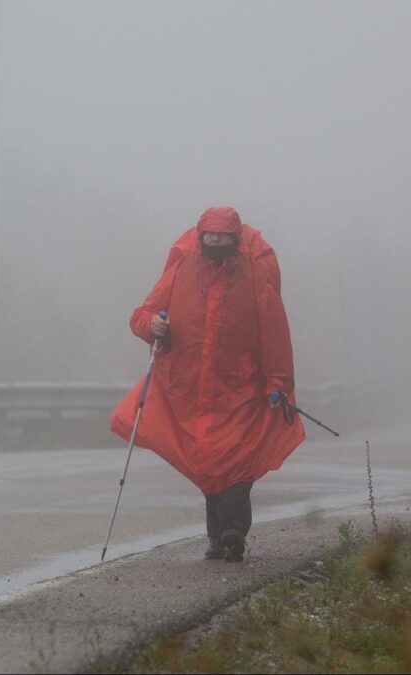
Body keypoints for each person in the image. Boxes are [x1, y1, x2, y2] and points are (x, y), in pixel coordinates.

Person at [110, 206, 306, 563]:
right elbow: (142, 314)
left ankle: (233, 532)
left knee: (237, 459)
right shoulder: (183, 265)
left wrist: (278, 381)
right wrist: (153, 325)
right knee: (209, 462)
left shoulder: (255, 270)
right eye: (210, 237)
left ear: (234, 239)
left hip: (241, 387)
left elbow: (274, 329)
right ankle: (218, 537)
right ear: (201, 237)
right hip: (191, 388)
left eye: (222, 238)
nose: (215, 243)